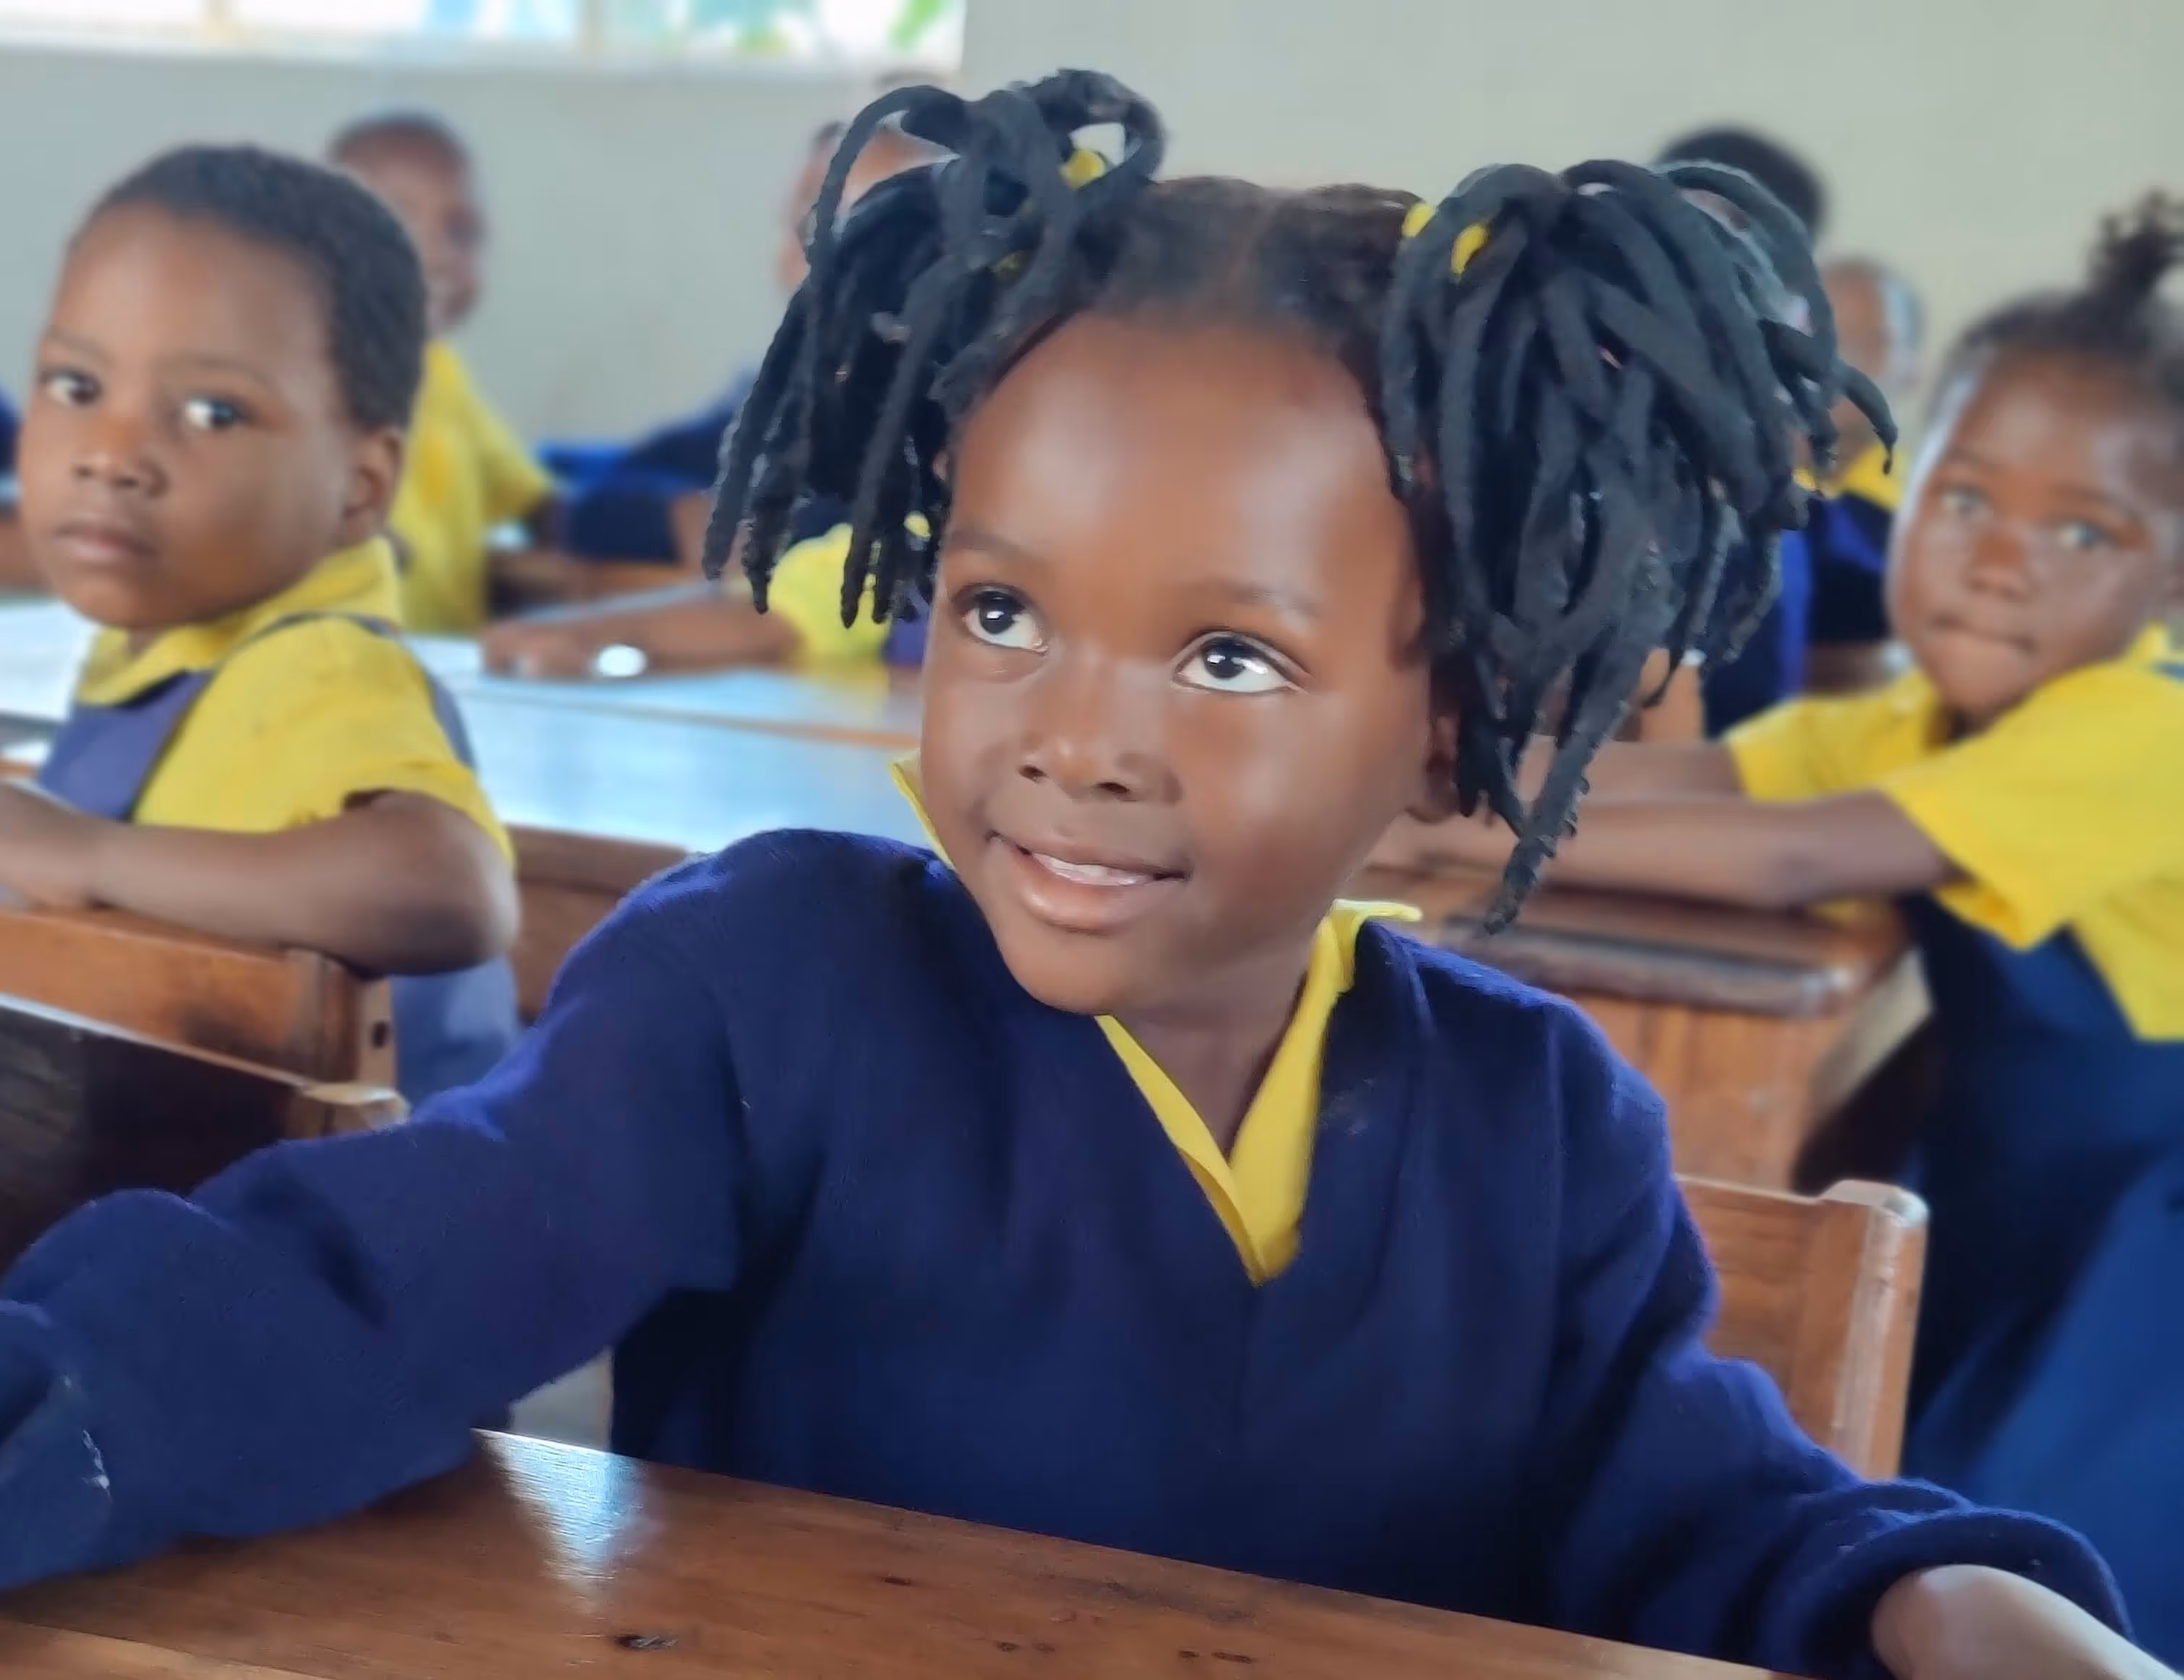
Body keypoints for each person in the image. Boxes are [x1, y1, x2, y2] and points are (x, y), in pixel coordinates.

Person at [0, 78, 2165, 1680]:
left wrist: (1936, 1589)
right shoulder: (771, 987)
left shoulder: (1540, 1123)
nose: (1073, 731)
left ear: (1448, 719)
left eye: (1228, 655)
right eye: (1002, 611)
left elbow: (1683, 1496)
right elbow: (361, 1283)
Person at [1373, 197, 2184, 1663]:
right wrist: (1429, 768)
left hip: (2142, 1249)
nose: (2003, 559)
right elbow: (1688, 778)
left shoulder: (2137, 725)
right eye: (1966, 500)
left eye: (2085, 528)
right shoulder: (1916, 714)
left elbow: (1795, 847)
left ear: (2171, 578)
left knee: (2052, 1561)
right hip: (2027, 1193)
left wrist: (1434, 826)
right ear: (1900, 484)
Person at [0, 145, 521, 1105]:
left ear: (360, 486)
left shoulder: (320, 667)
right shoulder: (165, 639)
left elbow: (452, 887)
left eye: (212, 410)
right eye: (76, 386)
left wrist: (84, 853)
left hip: (362, 1221)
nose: (112, 456)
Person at [483, 117, 940, 680]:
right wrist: (687, 523)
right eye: (807, 224)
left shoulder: (933, 458)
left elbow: (782, 589)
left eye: (869, 229)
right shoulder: (775, 410)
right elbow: (607, 492)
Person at [330, 110, 561, 635]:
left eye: (461, 231)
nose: (437, 256)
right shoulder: (303, 376)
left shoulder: (443, 375)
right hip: (335, 672)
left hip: (443, 682)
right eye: (400, 220)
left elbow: (533, 501)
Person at [1808, 256, 1925, 664]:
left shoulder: (1926, 513)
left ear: (1912, 370)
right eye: (1808, 331)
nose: (1833, 360)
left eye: (1868, 342)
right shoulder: (1726, 499)